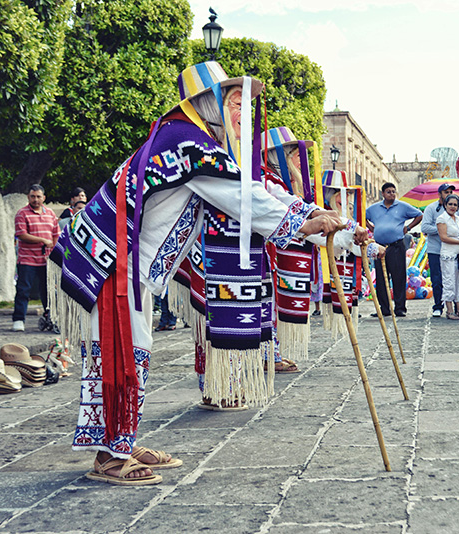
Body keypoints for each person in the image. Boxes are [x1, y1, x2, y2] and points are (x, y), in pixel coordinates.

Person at [49, 61, 349, 485]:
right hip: (115, 262)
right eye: (236, 103)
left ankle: (120, 443)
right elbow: (240, 198)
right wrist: (303, 220)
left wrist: (311, 213)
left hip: (120, 259)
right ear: (209, 103)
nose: (244, 114)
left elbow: (252, 190)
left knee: (129, 350)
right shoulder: (190, 144)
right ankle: (110, 457)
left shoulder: (186, 138)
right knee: (121, 352)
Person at [366, 182, 422, 318]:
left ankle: (400, 308)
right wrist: (371, 228)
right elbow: (362, 216)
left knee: (399, 277)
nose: (392, 194)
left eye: (393, 191)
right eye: (389, 192)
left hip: (396, 246)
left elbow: (419, 215)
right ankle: (384, 308)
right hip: (379, 247)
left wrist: (408, 228)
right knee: (380, 278)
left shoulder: (402, 206)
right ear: (383, 194)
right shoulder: (374, 208)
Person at [12, 184, 59, 332]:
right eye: (33, 196)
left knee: (48, 291)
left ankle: (50, 317)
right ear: (28, 197)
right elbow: (21, 234)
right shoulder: (22, 213)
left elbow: (56, 234)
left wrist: (53, 251)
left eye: (39, 196)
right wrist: (43, 240)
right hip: (27, 259)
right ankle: (19, 319)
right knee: (23, 290)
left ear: (44, 198)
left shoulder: (50, 213)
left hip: (46, 259)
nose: (36, 199)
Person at [436, 193, 459, 320]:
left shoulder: (458, 218)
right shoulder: (442, 218)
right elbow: (443, 237)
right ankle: (449, 310)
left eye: (455, 205)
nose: (453, 207)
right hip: (448, 254)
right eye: (450, 204)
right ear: (445, 205)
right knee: (449, 281)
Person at [421, 183, 455, 317]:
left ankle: (454, 306)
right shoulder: (431, 208)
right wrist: (441, 230)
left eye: (451, 192)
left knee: (453, 277)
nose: (449, 194)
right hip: (436, 249)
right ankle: (438, 306)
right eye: (446, 192)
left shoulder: (455, 208)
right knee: (437, 279)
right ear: (439, 194)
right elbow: (424, 228)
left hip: (452, 249)